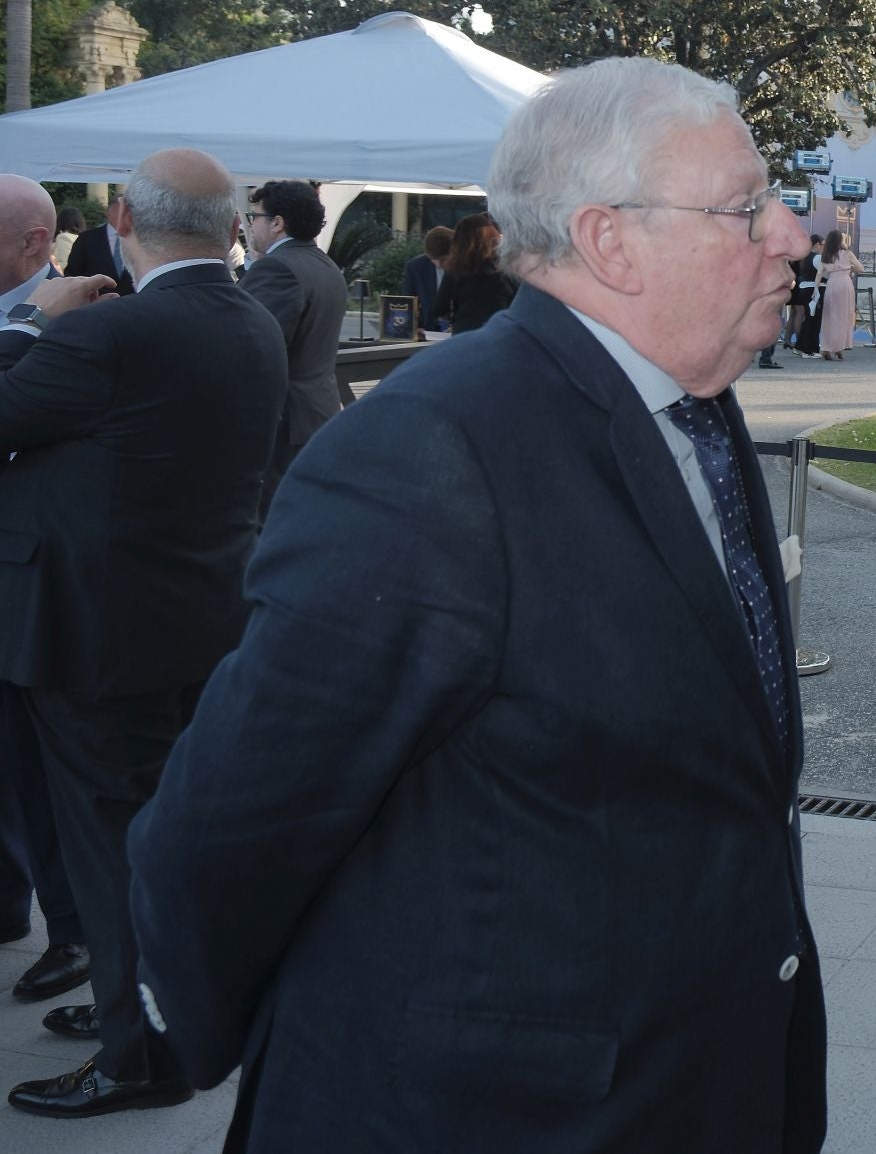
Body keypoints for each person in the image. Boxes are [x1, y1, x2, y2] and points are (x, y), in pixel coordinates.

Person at [125, 57, 827, 1153]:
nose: (791, 233)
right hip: (495, 1112)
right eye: (747, 208)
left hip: (690, 1081)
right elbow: (235, 821)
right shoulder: (429, 452)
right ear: (609, 240)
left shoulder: (688, 401)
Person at [0, 150, 288, 1120]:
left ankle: (139, 1058)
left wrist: (30, 322)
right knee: (158, 841)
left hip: (93, 638)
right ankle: (148, 1010)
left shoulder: (111, 335)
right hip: (195, 621)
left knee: (112, 851)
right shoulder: (251, 317)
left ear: (120, 215)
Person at [0, 176, 90, 1011]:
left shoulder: (82, 318)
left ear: (35, 243)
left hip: (31, 580)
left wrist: (27, 326)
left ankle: (70, 933)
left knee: (33, 765)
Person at [241, 180, 348, 514]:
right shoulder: (324, 264)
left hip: (283, 419)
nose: (250, 225)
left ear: (277, 222)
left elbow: (253, 349)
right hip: (316, 409)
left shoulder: (277, 268)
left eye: (254, 216)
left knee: (269, 520)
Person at [432, 212, 518, 335]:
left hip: (464, 334)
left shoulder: (454, 271)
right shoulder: (506, 270)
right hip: (499, 333)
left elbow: (438, 308)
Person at [61, 189, 136, 296]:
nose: (127, 214)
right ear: (109, 212)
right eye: (122, 210)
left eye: (129, 210)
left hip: (133, 303)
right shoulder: (87, 239)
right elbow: (73, 273)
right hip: (95, 303)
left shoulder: (140, 239)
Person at [818, 229, 861, 361]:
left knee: (829, 316)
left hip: (832, 284)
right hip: (845, 284)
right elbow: (861, 268)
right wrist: (849, 268)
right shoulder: (847, 253)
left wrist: (815, 289)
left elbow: (819, 274)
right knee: (845, 316)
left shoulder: (825, 255)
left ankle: (826, 347)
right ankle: (840, 348)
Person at [402, 224, 455, 331]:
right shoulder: (415, 267)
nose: (439, 264)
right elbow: (408, 305)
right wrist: (414, 329)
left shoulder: (468, 267)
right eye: (434, 259)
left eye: (444, 259)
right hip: (427, 332)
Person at [791, 234, 824, 356]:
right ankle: (810, 349)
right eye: (822, 244)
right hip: (813, 290)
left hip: (805, 288)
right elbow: (824, 274)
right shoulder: (817, 258)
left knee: (809, 319)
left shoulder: (806, 257)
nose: (823, 247)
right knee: (814, 321)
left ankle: (800, 346)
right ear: (816, 244)